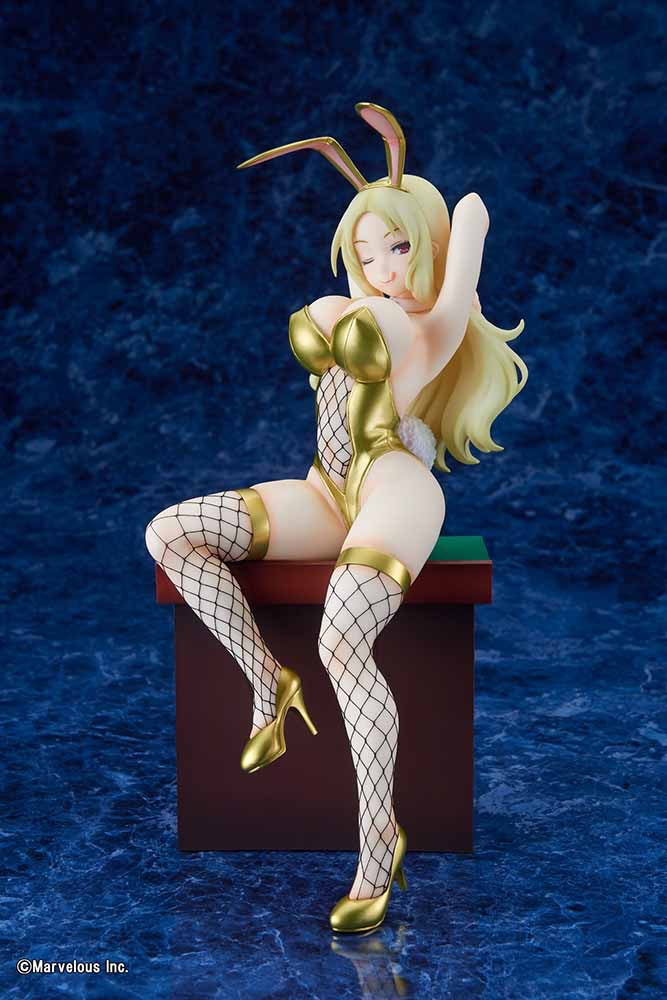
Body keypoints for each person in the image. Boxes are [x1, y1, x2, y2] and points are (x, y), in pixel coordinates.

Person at [144, 103, 528, 934]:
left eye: (398, 248)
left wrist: (439, 211)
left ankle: (377, 840)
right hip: (326, 488)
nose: (382, 266)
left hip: (394, 483)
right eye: (366, 251)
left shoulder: (432, 324)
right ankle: (267, 683)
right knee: (171, 534)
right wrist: (375, 218)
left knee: (342, 636)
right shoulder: (356, 302)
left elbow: (467, 228)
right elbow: (354, 303)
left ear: (423, 245)